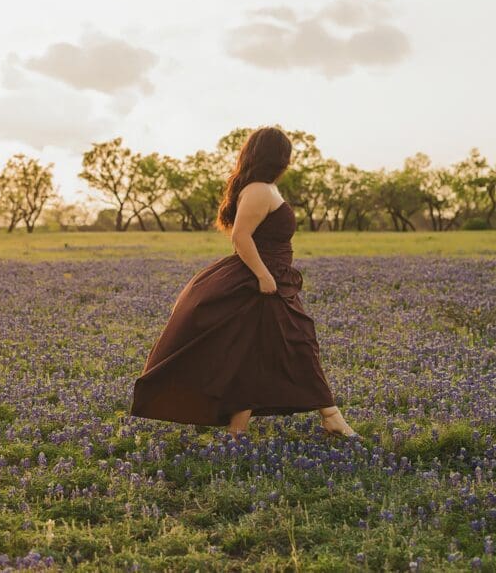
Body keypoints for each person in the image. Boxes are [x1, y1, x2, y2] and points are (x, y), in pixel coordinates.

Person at [129, 126, 359, 441]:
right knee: (300, 344)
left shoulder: (264, 188)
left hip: (271, 278)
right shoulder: (259, 190)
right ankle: (331, 416)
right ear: (277, 157)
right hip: (260, 281)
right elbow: (240, 237)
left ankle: (237, 431)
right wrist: (264, 276)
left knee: (252, 353)